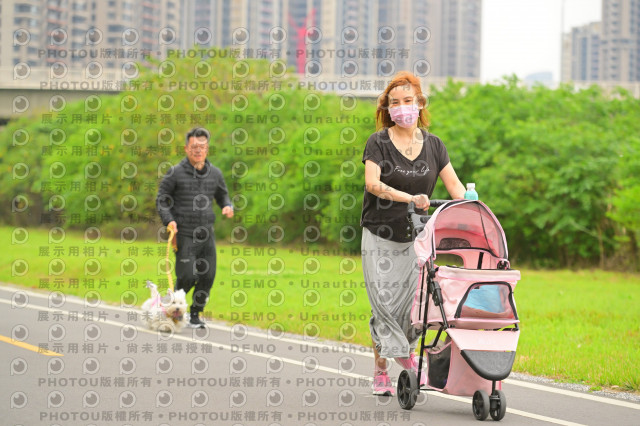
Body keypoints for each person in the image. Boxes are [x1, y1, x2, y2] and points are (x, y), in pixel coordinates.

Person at [360, 71, 466, 395]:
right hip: (379, 234)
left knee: (411, 307)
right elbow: (372, 184)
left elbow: (455, 187)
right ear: (387, 108)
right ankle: (393, 365)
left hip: (416, 237)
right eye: (394, 102)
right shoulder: (378, 142)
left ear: (420, 103)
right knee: (384, 304)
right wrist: (410, 198)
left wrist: (471, 205)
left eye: (408, 100)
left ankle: (395, 360)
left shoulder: (434, 145)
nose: (402, 107)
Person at [156, 127, 234, 328]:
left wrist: (227, 205)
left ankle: (195, 314)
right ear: (186, 148)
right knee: (187, 275)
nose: (198, 150)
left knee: (208, 276)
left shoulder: (215, 173)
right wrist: (169, 220)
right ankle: (173, 304)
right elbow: (162, 199)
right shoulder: (175, 173)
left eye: (202, 146)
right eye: (194, 146)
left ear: (207, 149)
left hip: (207, 234)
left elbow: (223, 195)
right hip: (184, 233)